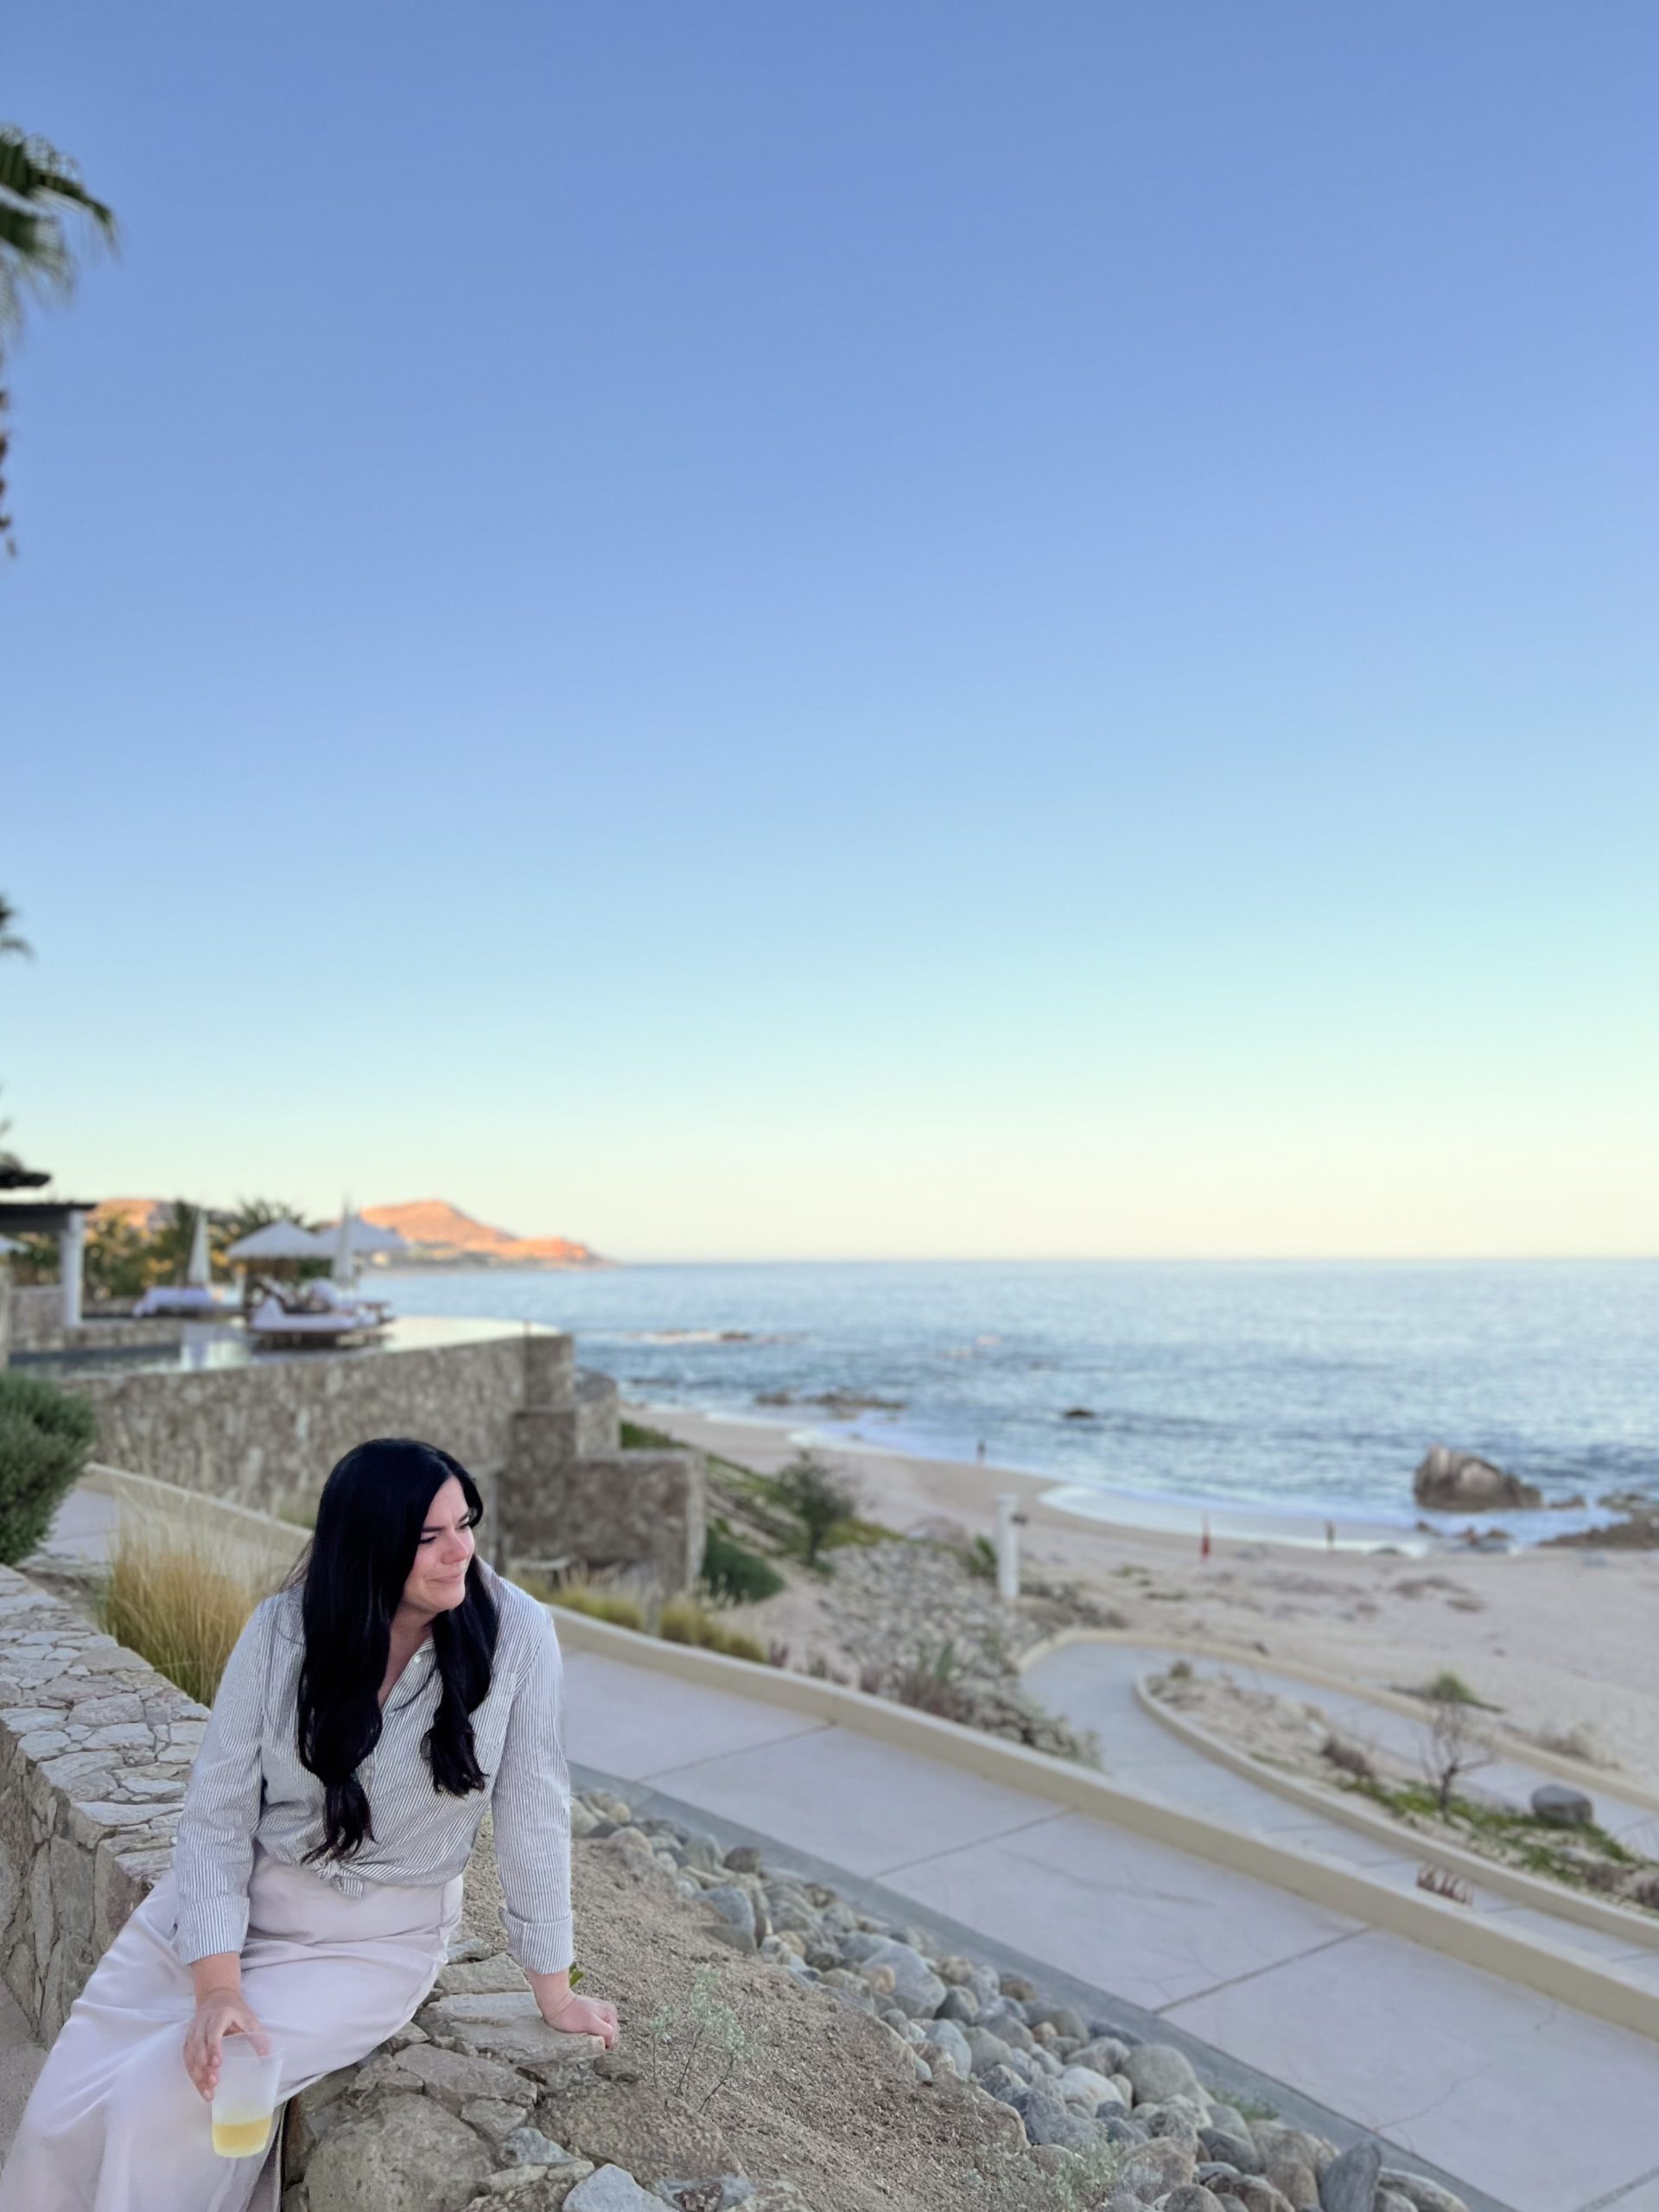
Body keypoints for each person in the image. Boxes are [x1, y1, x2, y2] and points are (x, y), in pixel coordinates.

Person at [0, 1435, 618, 2212]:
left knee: (162, 2105)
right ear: (368, 1547)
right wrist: (217, 1985)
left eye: (467, 1523)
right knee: (69, 2098)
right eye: (429, 1537)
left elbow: (533, 1813)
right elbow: (218, 1813)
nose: (460, 1550)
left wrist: (553, 1990)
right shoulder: (282, 1631)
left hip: (372, 1943)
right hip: (239, 1911)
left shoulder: (519, 1633)